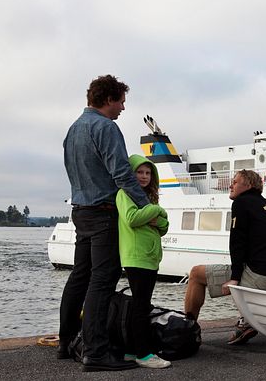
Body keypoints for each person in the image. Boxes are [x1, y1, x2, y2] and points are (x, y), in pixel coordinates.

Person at [58, 75, 149, 372]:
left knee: (79, 277)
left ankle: (67, 342)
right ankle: (96, 353)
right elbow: (122, 173)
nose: (123, 107)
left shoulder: (73, 130)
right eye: (121, 101)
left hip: (80, 211)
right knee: (103, 279)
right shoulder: (106, 127)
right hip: (103, 212)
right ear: (108, 99)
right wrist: (147, 206)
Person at [183, 169, 266, 344]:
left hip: (259, 277)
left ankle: (187, 328)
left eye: (235, 182)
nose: (230, 185)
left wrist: (235, 278)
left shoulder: (242, 202)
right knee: (247, 264)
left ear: (248, 185)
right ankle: (246, 320)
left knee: (195, 274)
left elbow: (237, 242)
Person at [117, 155, 170, 369]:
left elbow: (164, 227)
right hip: (137, 256)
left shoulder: (147, 198)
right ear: (131, 173)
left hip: (149, 258)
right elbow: (132, 218)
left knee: (140, 304)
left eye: (148, 173)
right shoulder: (125, 194)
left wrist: (157, 217)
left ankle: (131, 350)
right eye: (140, 172)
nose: (144, 176)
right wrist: (158, 211)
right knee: (141, 306)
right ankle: (144, 353)